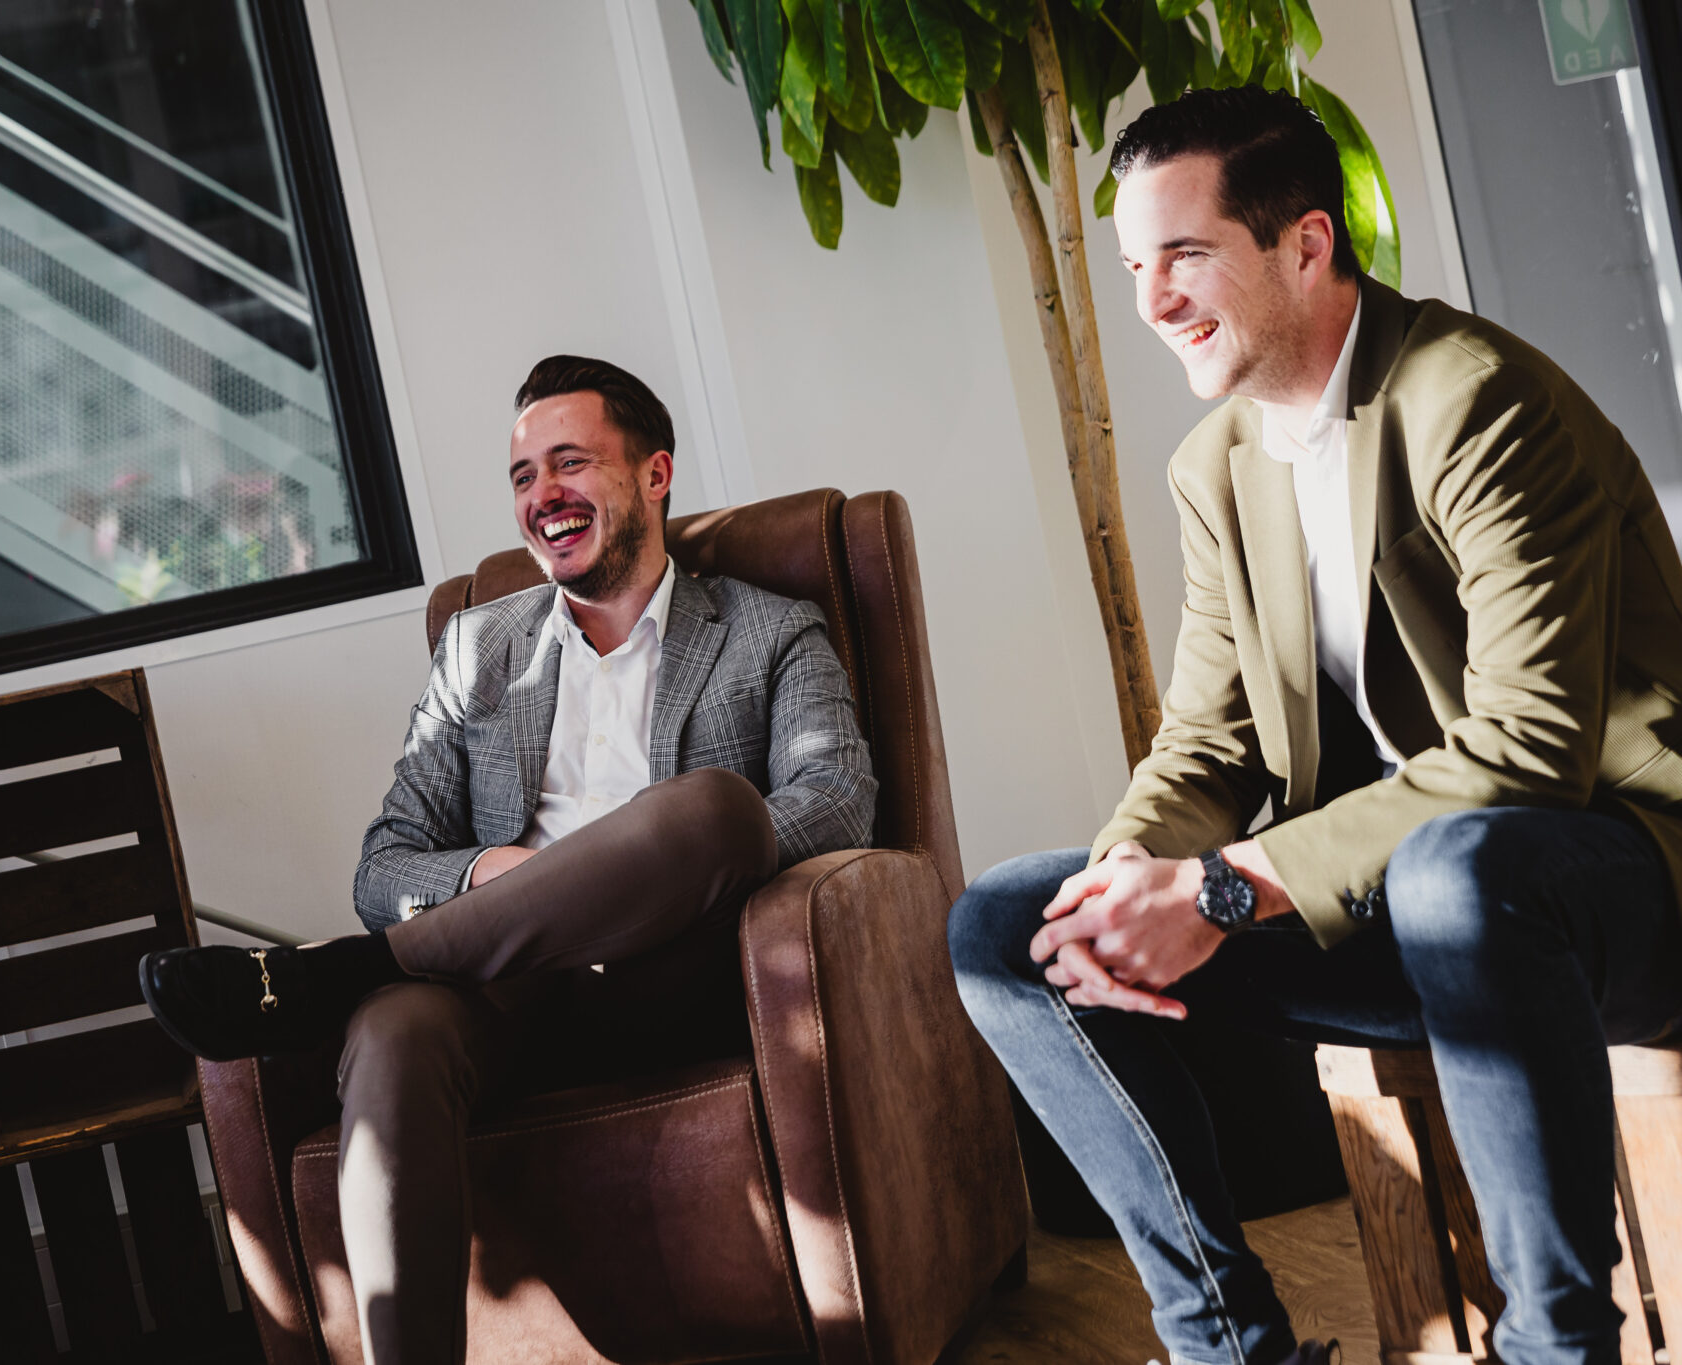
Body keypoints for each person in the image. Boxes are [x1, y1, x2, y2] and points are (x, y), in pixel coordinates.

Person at [949, 86, 1682, 1365]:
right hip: (1398, 911)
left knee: (1463, 870)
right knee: (1012, 924)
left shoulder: (1477, 400)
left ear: (1304, 242)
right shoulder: (1214, 466)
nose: (1150, 302)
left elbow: (1528, 751)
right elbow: (1207, 744)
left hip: (1607, 892)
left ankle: (1558, 1346)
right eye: (1132, 266)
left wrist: (1227, 890)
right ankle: (1228, 1347)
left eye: (1181, 255)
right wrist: (1128, 878)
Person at [140, 355, 876, 1364]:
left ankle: (327, 979)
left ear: (653, 474)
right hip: (503, 989)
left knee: (711, 810)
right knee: (394, 1030)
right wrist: (495, 878)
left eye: (569, 463)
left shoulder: (766, 631)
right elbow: (384, 867)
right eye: (523, 476)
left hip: (675, 977)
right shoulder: (477, 650)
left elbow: (835, 803)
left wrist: (669, 857)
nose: (542, 497)